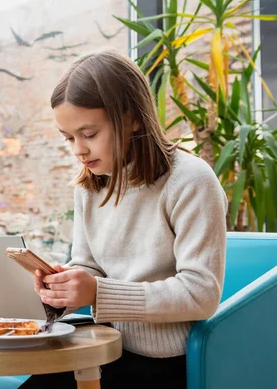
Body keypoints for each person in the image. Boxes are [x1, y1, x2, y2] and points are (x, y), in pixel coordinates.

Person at [19, 50, 228, 389]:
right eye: (69, 138)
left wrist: (98, 292)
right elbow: (90, 268)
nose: (78, 151)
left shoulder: (191, 180)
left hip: (163, 364)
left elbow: (201, 294)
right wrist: (68, 285)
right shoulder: (89, 187)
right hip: (100, 348)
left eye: (89, 134)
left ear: (132, 118)